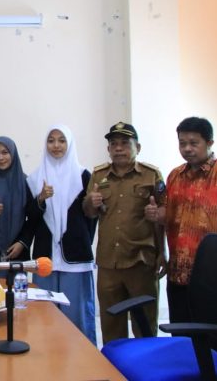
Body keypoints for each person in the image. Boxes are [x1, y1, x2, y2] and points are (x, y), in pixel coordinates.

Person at [157, 117, 217, 323]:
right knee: (181, 334)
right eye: (182, 143)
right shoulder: (174, 176)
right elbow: (165, 218)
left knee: (211, 340)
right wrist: (161, 250)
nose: (187, 148)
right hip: (177, 273)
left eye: (193, 143)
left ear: (209, 143)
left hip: (213, 278)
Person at [83, 122, 166, 343]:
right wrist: (91, 202)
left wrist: (162, 252)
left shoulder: (151, 175)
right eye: (113, 144)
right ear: (108, 149)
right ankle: (115, 371)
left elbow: (164, 216)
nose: (118, 148)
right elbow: (89, 212)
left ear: (137, 147)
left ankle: (146, 372)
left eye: (124, 144)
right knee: (111, 325)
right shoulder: (98, 175)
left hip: (141, 260)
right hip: (109, 262)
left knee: (144, 324)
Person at [27, 125, 97, 344]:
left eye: (61, 140)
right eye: (51, 140)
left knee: (76, 317)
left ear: (70, 144)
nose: (56, 146)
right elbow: (31, 218)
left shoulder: (83, 176)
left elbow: (91, 217)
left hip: (75, 258)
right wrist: (40, 200)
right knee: (43, 316)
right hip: (45, 258)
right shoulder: (35, 178)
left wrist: (81, 241)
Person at [0, 136, 39, 276]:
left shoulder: (25, 182)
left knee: (16, 295)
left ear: (13, 154)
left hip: (17, 250)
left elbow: (33, 218)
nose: (1, 157)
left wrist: (22, 243)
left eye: (5, 152)